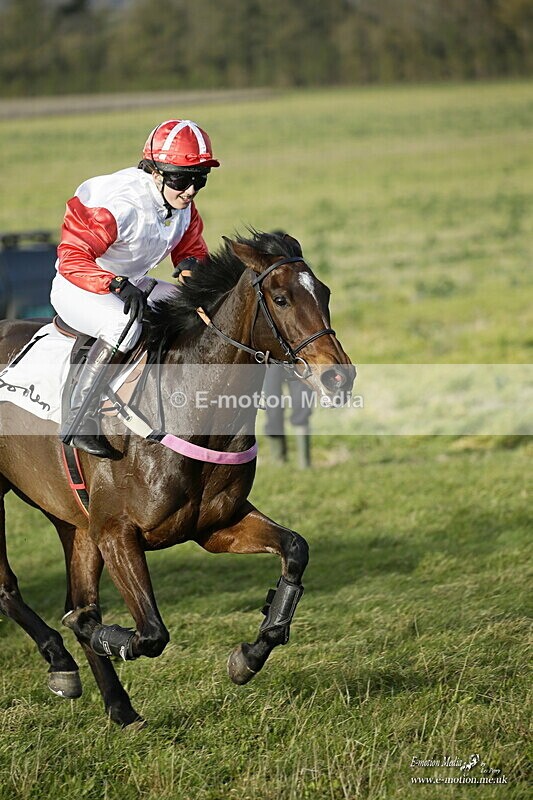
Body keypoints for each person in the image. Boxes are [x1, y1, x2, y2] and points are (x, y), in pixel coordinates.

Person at [51, 118, 219, 458]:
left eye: (199, 179)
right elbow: (71, 257)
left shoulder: (183, 205)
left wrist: (191, 269)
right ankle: (78, 418)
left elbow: (190, 251)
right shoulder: (117, 204)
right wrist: (113, 283)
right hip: (79, 285)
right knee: (123, 327)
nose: (189, 189)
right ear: (155, 172)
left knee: (198, 314)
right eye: (180, 178)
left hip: (130, 282)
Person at [263, 365, 314, 469]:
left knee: (302, 405)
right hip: (271, 360)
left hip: (297, 358)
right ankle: (278, 460)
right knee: (273, 410)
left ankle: (304, 462)